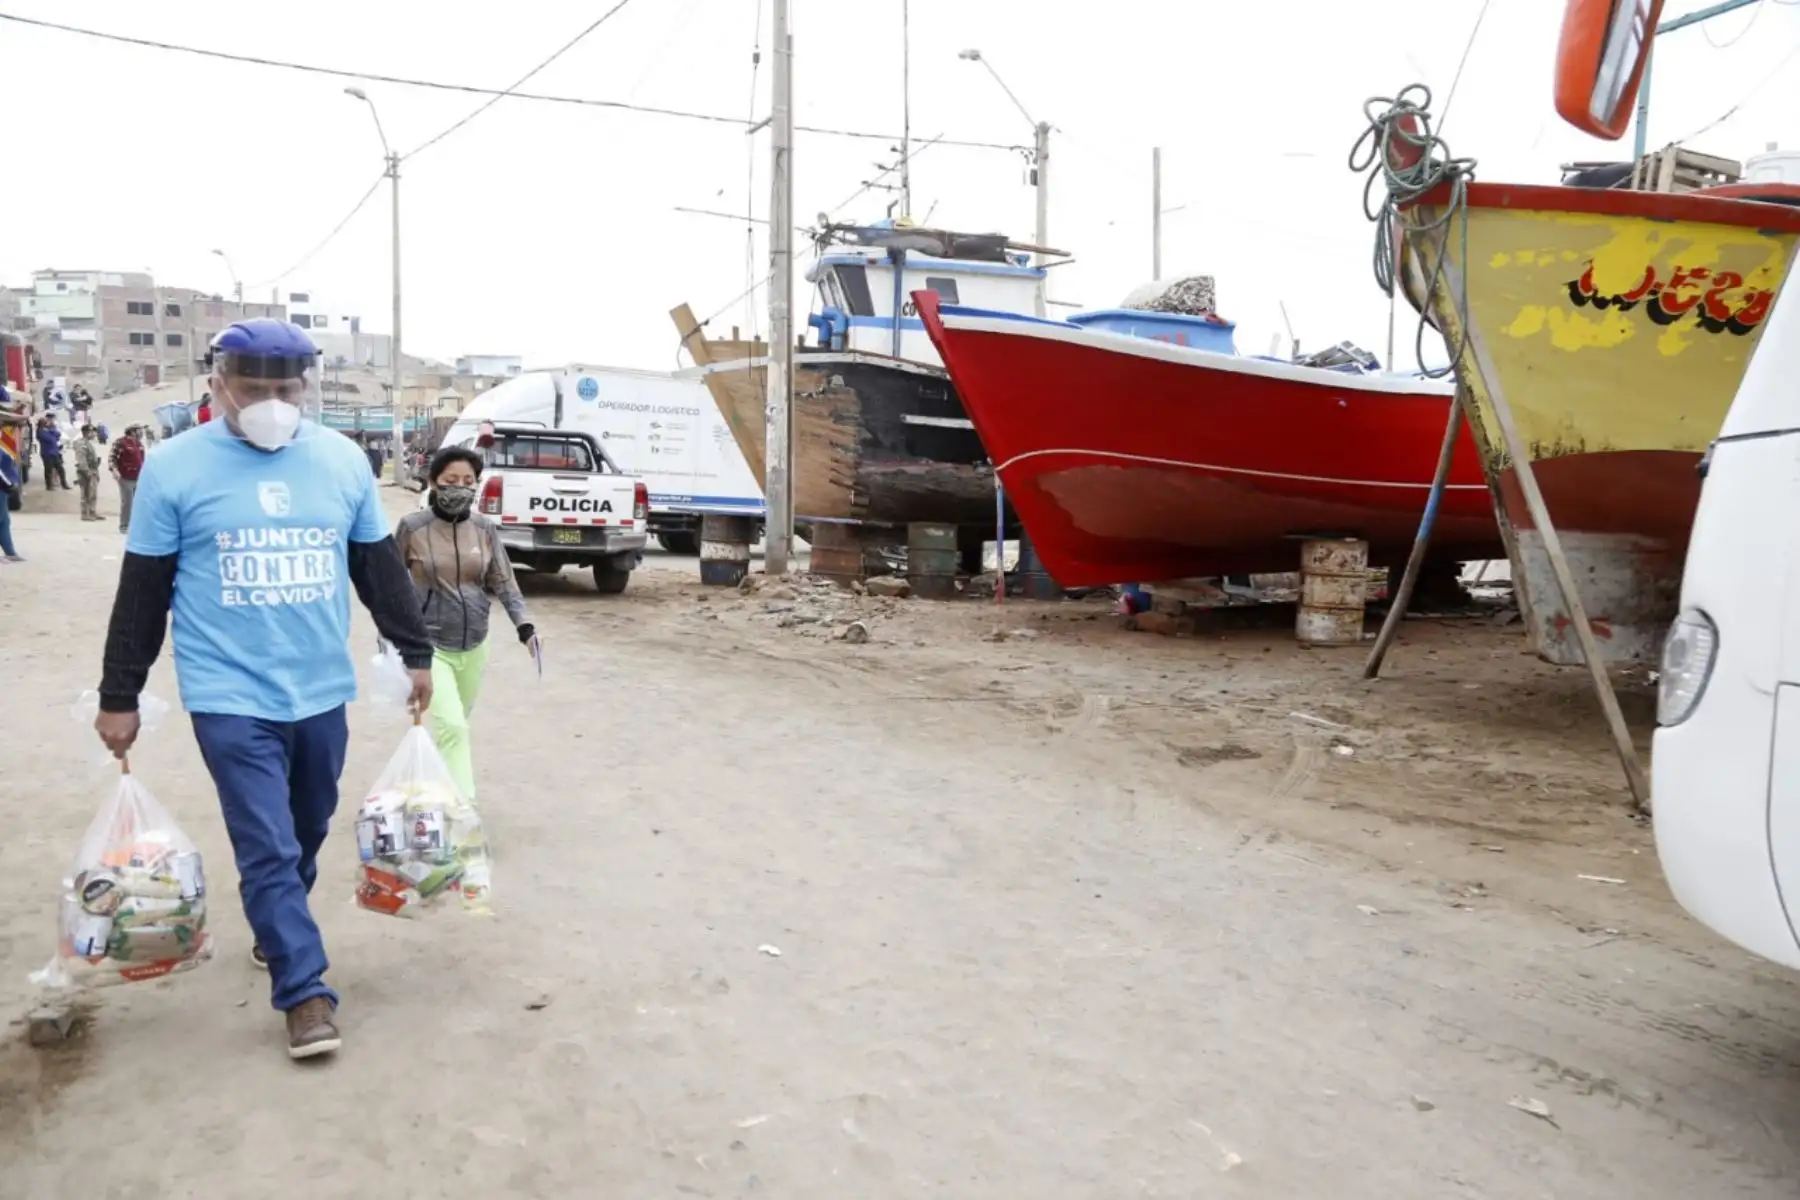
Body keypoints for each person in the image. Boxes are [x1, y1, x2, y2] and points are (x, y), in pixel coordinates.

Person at [93, 318, 434, 1062]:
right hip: (227, 692)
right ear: (219, 384)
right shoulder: (175, 467)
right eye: (256, 388)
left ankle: (277, 922)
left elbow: (376, 568)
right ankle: (304, 990)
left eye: (288, 387)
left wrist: (416, 653)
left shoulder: (342, 462)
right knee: (268, 845)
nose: (274, 401)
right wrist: (119, 695)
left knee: (309, 825)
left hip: (319, 688)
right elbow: (143, 592)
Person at [395, 447, 536, 801]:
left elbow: (503, 581)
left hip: (474, 643)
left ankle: (433, 795)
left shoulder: (484, 529)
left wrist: (525, 627)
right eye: (451, 481)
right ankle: (462, 812)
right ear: (433, 482)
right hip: (430, 646)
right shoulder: (413, 528)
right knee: (454, 727)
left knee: (454, 728)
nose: (460, 488)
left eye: (468, 482)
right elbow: (391, 586)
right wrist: (393, 637)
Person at [109, 424, 146, 534]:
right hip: (125, 477)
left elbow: (142, 461)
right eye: (139, 430)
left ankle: (135, 526)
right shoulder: (120, 442)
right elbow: (112, 457)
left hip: (138, 478)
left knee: (138, 502)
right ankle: (124, 526)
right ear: (132, 432)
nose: (142, 433)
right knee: (128, 502)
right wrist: (114, 470)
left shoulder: (139, 444)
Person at [74, 424, 103, 522]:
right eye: (92, 432)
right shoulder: (81, 443)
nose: (94, 434)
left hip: (93, 470)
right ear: (87, 432)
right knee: (86, 493)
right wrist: (87, 471)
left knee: (93, 493)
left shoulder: (88, 443)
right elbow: (81, 459)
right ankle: (85, 514)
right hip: (86, 471)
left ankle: (92, 511)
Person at [36, 417, 68, 490]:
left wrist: (52, 429)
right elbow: (51, 439)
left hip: (54, 453)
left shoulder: (48, 430)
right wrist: (52, 432)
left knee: (60, 469)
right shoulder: (40, 432)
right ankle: (49, 486)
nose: (47, 423)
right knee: (48, 470)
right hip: (47, 453)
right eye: (45, 422)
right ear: (42, 424)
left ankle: (64, 484)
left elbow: (58, 434)